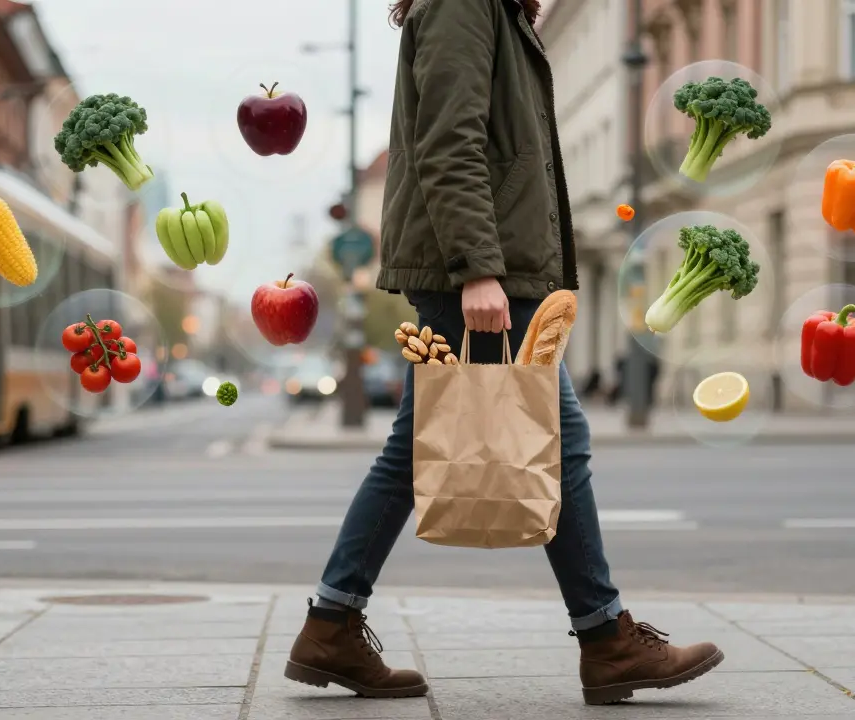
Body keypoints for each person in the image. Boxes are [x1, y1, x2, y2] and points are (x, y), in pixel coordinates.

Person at [283, 0, 724, 706]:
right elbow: (448, 141)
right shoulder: (463, 2)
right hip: (481, 272)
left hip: (491, 266)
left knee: (417, 448)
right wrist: (477, 268)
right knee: (554, 440)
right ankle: (605, 639)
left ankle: (332, 621)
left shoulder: (493, 9)